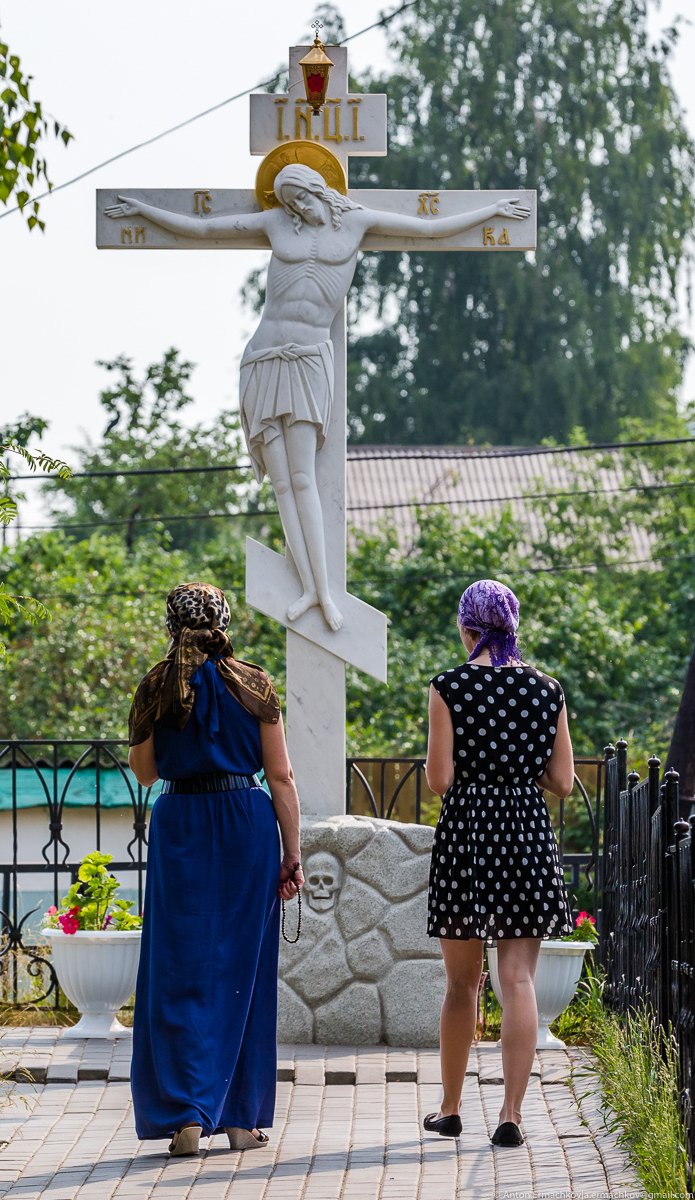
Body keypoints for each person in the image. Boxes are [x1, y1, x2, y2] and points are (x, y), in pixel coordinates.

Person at [106, 169, 530, 632]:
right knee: (282, 483)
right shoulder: (275, 224)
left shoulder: (357, 222)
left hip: (309, 357)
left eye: (303, 199)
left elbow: (428, 228)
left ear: (317, 190)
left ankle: (323, 591)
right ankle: (308, 586)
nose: (299, 210)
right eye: (290, 203)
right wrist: (144, 210)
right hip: (265, 356)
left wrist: (490, 211)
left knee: (304, 477)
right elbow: (205, 228)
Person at [126, 581, 304, 1156]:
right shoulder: (254, 683)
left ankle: (183, 1116)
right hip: (244, 825)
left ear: (170, 623)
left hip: (181, 824)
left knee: (178, 970)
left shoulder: (154, 685)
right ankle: (239, 1119)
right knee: (243, 969)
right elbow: (280, 776)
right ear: (225, 620)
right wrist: (292, 852)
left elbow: (147, 773)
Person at [422, 579, 574, 1147]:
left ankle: (452, 1108)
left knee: (462, 984)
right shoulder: (547, 690)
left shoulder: (448, 687)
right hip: (526, 837)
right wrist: (516, 772)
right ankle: (511, 1114)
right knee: (518, 980)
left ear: (467, 629)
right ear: (512, 627)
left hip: (468, 836)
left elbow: (440, 780)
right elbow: (562, 782)